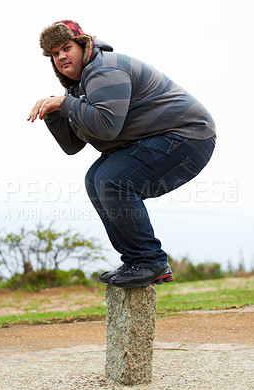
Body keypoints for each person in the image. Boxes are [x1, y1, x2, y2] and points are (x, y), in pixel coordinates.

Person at [28, 20, 216, 289]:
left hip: (189, 137)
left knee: (112, 180)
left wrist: (66, 104)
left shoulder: (106, 69)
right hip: (159, 139)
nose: (61, 57)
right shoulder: (79, 87)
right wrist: (55, 113)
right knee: (95, 178)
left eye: (66, 48)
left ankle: (149, 261)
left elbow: (106, 126)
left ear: (83, 46)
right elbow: (73, 146)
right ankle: (136, 262)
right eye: (54, 54)